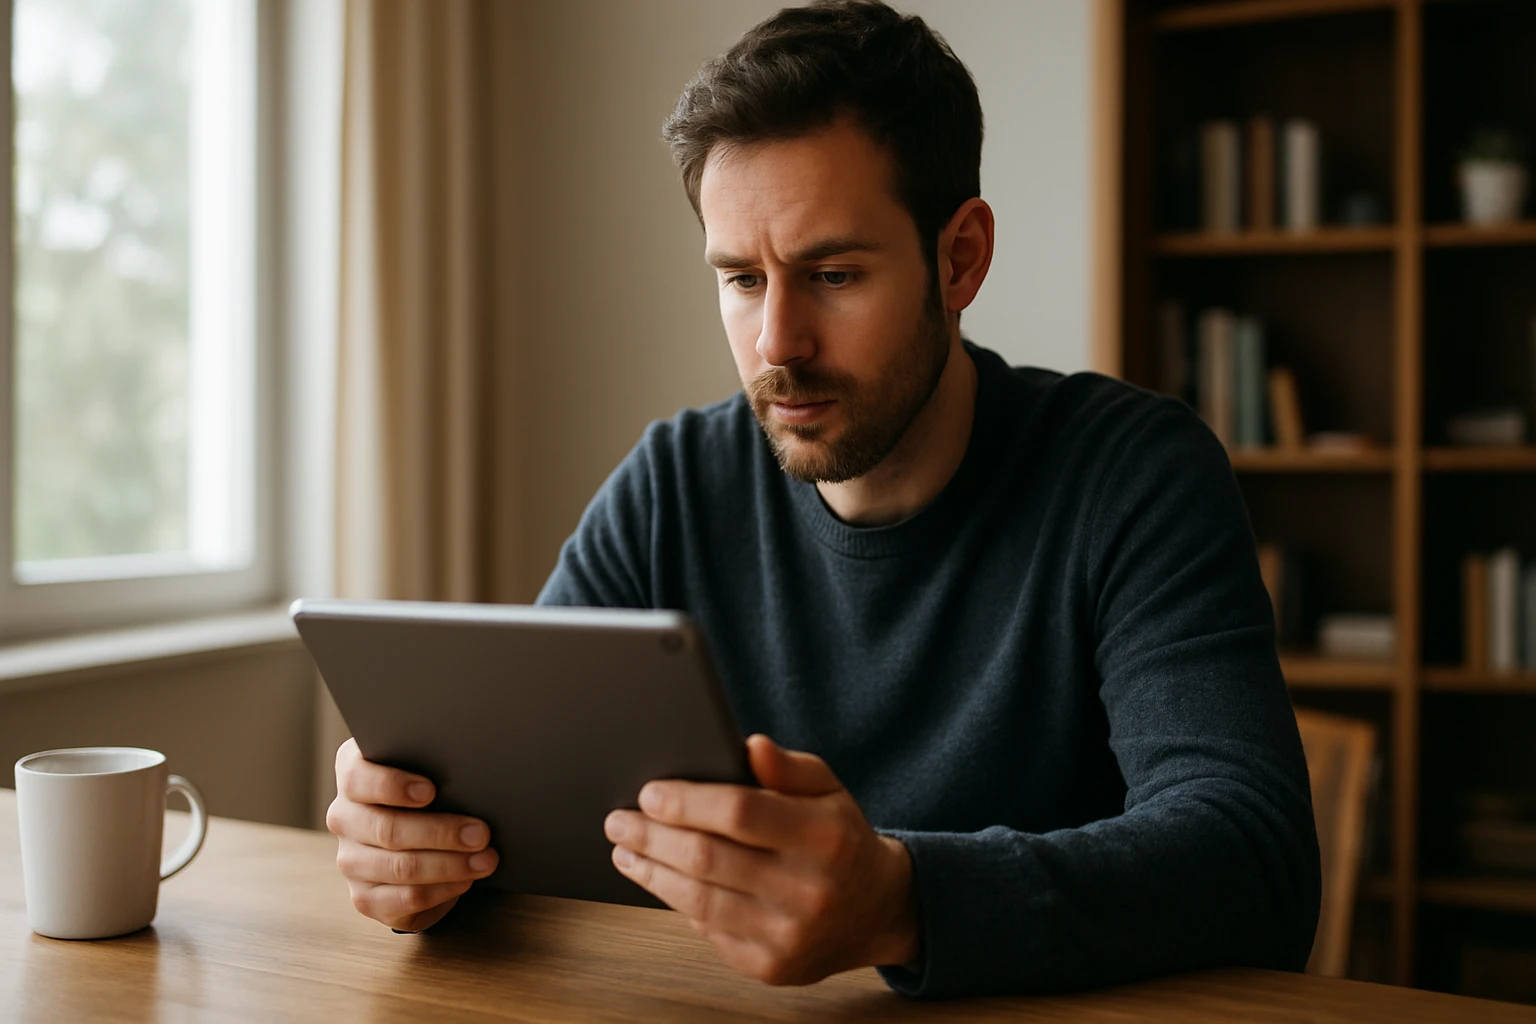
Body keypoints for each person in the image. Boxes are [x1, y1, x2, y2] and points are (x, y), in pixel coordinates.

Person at [325, 0, 1321, 998]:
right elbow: (527, 798)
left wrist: (900, 902)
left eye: (833, 274)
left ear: (960, 258)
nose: (777, 342)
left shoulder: (1133, 475)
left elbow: (1255, 860)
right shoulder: (673, 485)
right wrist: (422, 851)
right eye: (741, 279)